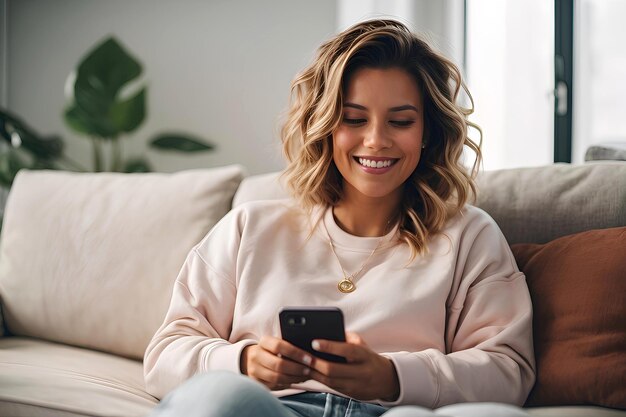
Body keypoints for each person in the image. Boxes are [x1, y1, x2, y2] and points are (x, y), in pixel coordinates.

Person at [143, 19, 535, 417]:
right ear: (325, 126)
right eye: (353, 118)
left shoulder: (469, 235)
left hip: (395, 411)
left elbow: (508, 371)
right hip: (271, 409)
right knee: (224, 399)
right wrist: (243, 363)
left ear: (428, 133)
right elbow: (165, 355)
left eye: (400, 121)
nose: (376, 140)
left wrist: (393, 377)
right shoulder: (249, 229)